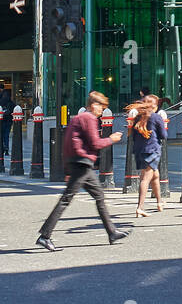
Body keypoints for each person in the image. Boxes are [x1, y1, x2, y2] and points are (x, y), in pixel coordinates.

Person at [36, 91, 128, 251]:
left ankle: (112, 232)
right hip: (82, 164)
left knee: (99, 196)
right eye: (101, 106)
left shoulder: (78, 119)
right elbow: (95, 143)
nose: (102, 110)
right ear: (94, 105)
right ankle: (45, 235)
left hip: (78, 163)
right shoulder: (89, 118)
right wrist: (111, 139)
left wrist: (67, 169)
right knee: (66, 199)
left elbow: (67, 144)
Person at [130, 97, 167, 218]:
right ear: (155, 106)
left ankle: (159, 202)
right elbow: (163, 135)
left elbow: (133, 136)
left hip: (139, 151)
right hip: (152, 151)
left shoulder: (137, 117)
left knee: (155, 176)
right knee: (145, 179)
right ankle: (140, 207)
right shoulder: (156, 117)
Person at [0, 84, 12, 157]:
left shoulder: (2, 97)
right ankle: (6, 148)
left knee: (2, 134)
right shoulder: (9, 98)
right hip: (9, 119)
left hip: (3, 119)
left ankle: (3, 148)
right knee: (6, 135)